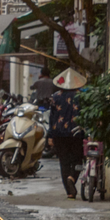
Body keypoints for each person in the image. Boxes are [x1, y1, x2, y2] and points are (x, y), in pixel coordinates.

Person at [46, 68, 88, 199]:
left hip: (59, 133)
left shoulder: (55, 97)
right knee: (77, 159)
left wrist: (50, 135)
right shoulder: (82, 96)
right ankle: (72, 178)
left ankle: (70, 192)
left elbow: (52, 118)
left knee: (64, 161)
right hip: (77, 133)